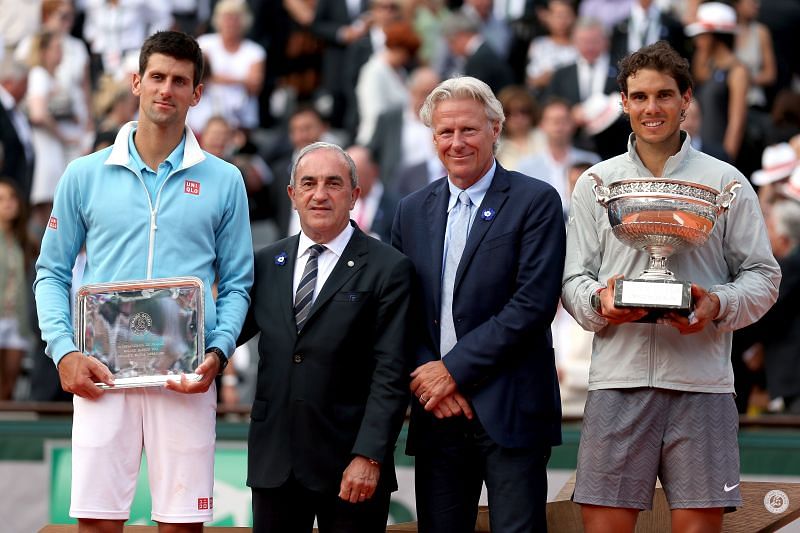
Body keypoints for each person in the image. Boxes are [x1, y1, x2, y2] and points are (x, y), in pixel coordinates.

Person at [34, 30, 254, 531]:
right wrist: (64, 352)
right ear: (136, 81)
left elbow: (239, 283)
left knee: (181, 525)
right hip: (101, 374)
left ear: (197, 93)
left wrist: (217, 353)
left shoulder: (225, 180)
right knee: (97, 523)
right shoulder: (82, 174)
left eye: (180, 81)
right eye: (157, 76)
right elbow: (50, 271)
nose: (166, 90)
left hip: (185, 379)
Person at [561, 40, 780, 533]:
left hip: (701, 382)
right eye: (639, 97)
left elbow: (765, 277)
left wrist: (716, 303)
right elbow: (573, 278)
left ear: (686, 100)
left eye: (664, 95)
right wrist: (601, 304)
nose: (651, 108)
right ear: (623, 102)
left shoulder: (728, 182)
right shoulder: (595, 182)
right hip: (618, 380)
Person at [391, 76, 565, 532]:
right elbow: (399, 308)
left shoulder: (536, 200)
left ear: (495, 129)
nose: (456, 142)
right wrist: (432, 377)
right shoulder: (411, 209)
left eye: (468, 130)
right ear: (432, 138)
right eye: (445, 132)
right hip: (438, 412)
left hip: (510, 407)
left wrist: (453, 371)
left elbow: (533, 303)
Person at [239, 141, 413, 532]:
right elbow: (225, 332)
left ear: (354, 196)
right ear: (292, 195)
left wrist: (369, 456)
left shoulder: (389, 268)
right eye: (308, 183)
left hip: (351, 468)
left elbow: (391, 371)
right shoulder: (266, 263)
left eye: (333, 184)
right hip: (275, 464)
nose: (320, 194)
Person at [0, 177, 35, 400]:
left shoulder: (27, 241)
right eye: (1, 199)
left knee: (10, 383)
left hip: (18, 319)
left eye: (12, 197)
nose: (8, 203)